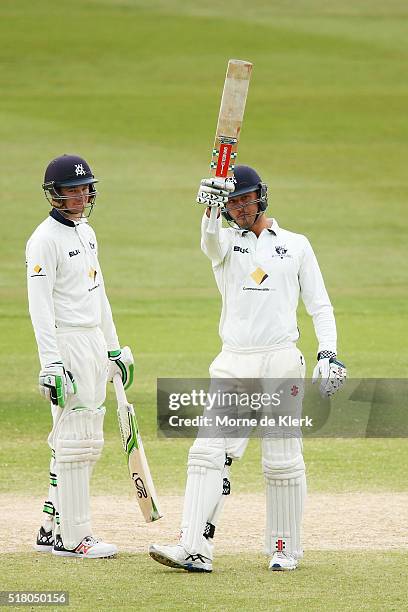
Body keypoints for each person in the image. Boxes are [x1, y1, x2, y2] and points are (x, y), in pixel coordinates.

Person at [149, 165, 346, 572]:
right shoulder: (222, 243)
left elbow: (320, 305)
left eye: (245, 199)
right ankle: (194, 548)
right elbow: (207, 238)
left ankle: (285, 548)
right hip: (235, 360)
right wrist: (208, 208)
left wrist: (329, 352)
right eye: (231, 202)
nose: (239, 208)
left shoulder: (295, 245)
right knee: (208, 452)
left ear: (261, 197)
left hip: (281, 358)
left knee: (282, 459)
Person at [26, 154, 134, 558]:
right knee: (76, 441)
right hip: (66, 343)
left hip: (92, 342)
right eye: (72, 190)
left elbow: (99, 294)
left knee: (83, 438)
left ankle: (50, 526)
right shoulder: (43, 240)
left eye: (85, 187)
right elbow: (39, 307)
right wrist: (50, 363)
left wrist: (113, 347)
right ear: (54, 194)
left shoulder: (87, 233)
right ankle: (73, 539)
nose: (81, 195)